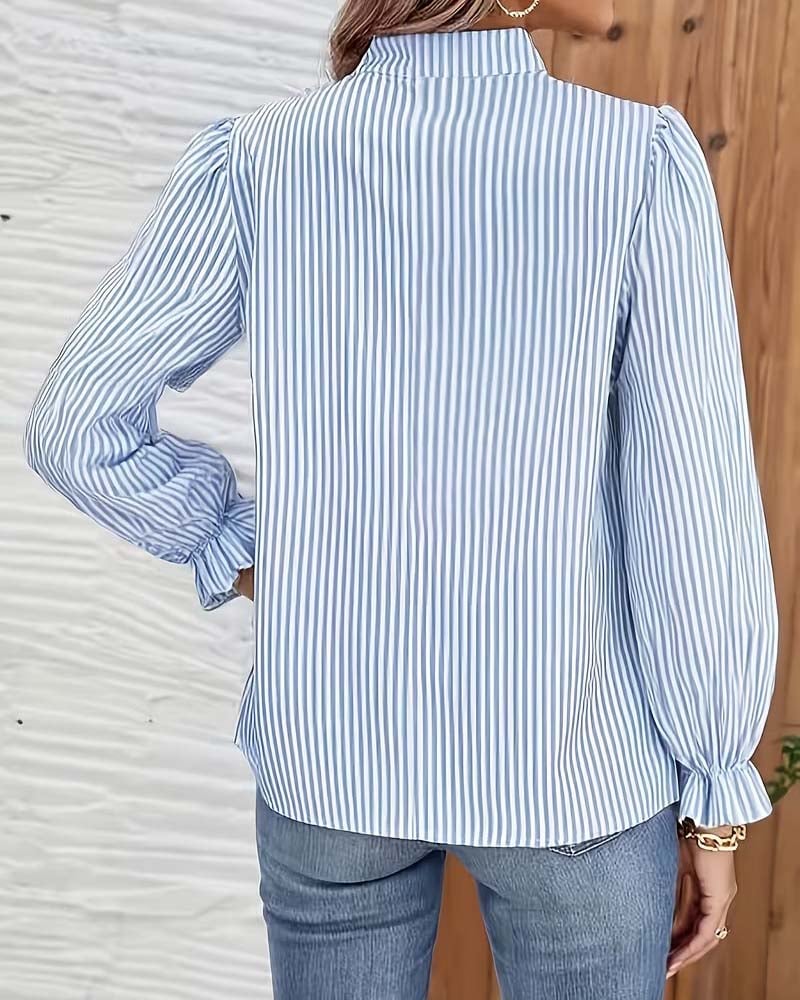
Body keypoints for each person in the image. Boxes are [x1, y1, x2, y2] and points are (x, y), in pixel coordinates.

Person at [23, 0, 779, 997]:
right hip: (572, 762)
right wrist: (713, 791)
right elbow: (689, 501)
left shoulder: (260, 158)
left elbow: (77, 423)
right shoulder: (631, 161)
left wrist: (241, 548)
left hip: (328, 761)